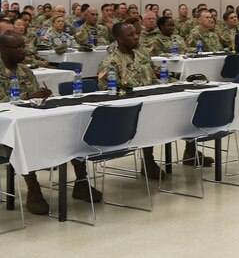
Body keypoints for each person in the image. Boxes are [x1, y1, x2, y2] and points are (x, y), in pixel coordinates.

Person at [0, 32, 102, 214]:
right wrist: (28, 96)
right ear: (4, 50)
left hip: (29, 119)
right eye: (19, 47)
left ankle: (80, 183)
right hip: (5, 128)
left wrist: (41, 96)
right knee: (24, 139)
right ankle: (33, 189)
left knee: (71, 132)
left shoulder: (25, 70)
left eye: (24, 46)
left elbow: (33, 99)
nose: (25, 50)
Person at [98, 22, 212, 172]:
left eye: (136, 33)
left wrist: (179, 84)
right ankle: (148, 161)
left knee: (188, 104)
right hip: (132, 107)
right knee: (148, 116)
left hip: (153, 96)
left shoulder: (142, 53)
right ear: (120, 39)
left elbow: (154, 76)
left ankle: (190, 151)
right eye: (130, 35)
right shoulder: (110, 63)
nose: (136, 37)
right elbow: (109, 92)